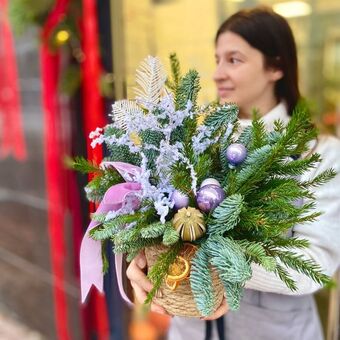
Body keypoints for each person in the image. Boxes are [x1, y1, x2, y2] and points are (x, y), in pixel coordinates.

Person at [126, 6, 340, 340]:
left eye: (234, 59)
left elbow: (316, 264)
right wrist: (144, 258)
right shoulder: (193, 145)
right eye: (217, 59)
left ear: (276, 66)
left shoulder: (319, 153)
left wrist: (214, 259)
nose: (217, 73)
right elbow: (162, 223)